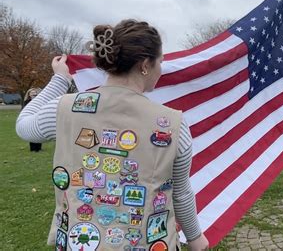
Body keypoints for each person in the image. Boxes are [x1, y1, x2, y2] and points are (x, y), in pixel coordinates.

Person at [16, 19, 208, 250]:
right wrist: (196, 238)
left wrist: (60, 80)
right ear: (145, 64)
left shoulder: (66, 108)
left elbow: (24, 126)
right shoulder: (172, 123)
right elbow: (180, 192)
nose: (161, 68)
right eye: (161, 61)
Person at [23, 88, 43, 152]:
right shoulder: (26, 101)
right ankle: (32, 148)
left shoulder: (39, 100)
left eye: (34, 92)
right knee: (31, 132)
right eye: (32, 93)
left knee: (38, 133)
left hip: (38, 118)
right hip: (29, 118)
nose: (33, 94)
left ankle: (38, 148)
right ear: (29, 94)